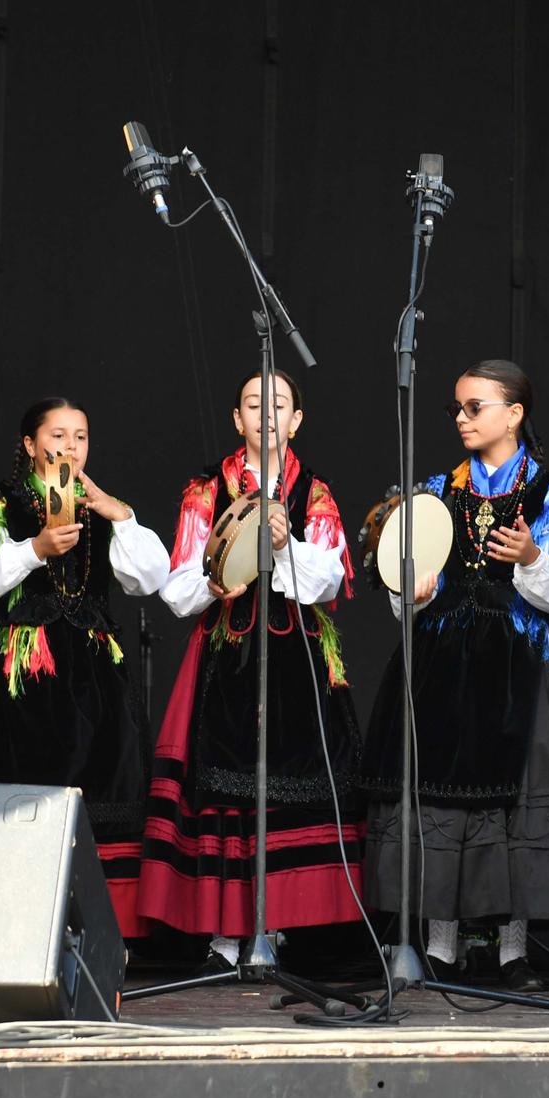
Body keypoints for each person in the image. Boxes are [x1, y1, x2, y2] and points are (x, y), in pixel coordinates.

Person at [359, 359, 549, 992]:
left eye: (474, 407)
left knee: (515, 803)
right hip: (443, 665)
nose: (460, 417)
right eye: (457, 407)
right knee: (439, 799)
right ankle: (439, 946)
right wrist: (414, 590)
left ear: (514, 414)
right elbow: (404, 583)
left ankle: (512, 952)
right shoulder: (433, 491)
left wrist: (535, 560)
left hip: (517, 666)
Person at [138, 372, 362, 964]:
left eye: (279, 405)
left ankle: (275, 927)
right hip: (226, 655)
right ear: (237, 419)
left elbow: (331, 579)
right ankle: (221, 934)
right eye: (254, 404)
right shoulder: (207, 489)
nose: (266, 414)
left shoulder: (314, 493)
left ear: (296, 421)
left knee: (288, 791)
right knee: (222, 791)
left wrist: (286, 546)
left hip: (297, 656)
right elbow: (179, 590)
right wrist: (218, 578)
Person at [0, 397, 170, 937]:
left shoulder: (101, 509)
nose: (69, 448)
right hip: (24, 674)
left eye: (80, 437)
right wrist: (34, 548)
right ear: (30, 445)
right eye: (57, 436)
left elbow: (149, 578)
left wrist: (116, 510)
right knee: (24, 786)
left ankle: (92, 930)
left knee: (99, 784)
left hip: (92, 672)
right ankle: (16, 928)